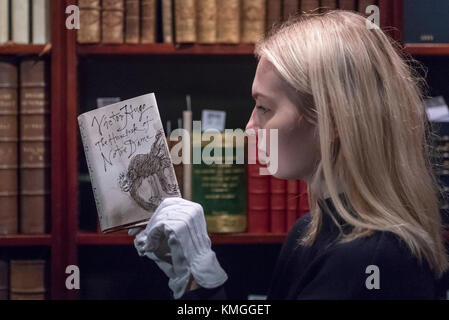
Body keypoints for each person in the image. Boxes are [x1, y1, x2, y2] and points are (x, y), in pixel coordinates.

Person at [129, 10, 449, 300]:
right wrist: (193, 279)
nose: (250, 128)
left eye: (265, 108)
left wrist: (201, 284)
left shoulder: (371, 259)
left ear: (334, 119)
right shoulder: (309, 231)